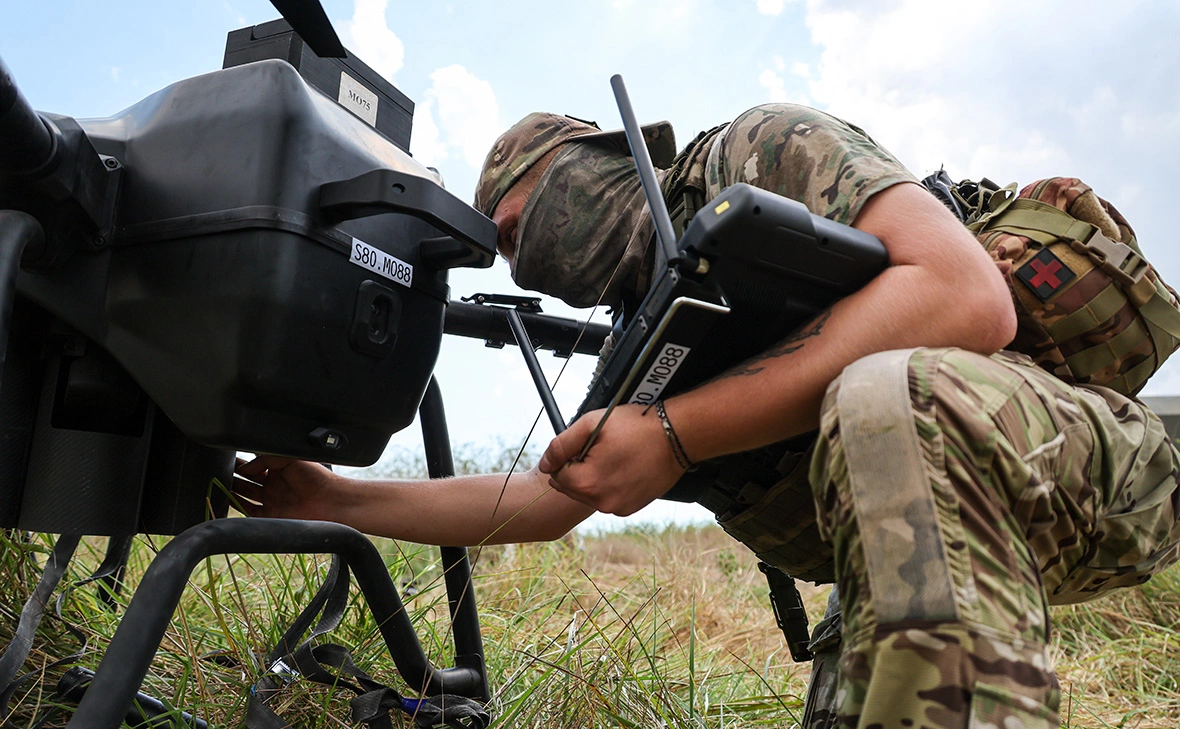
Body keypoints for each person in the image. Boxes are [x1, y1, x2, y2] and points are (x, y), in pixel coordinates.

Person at [233, 104, 1180, 728]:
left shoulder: (759, 150)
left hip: (1085, 466)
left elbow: (968, 298)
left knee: (887, 390)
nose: (518, 261)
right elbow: (547, 498)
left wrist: (679, 434)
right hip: (919, 552)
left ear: (600, 162)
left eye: (517, 220)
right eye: (503, 253)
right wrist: (339, 498)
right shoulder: (643, 354)